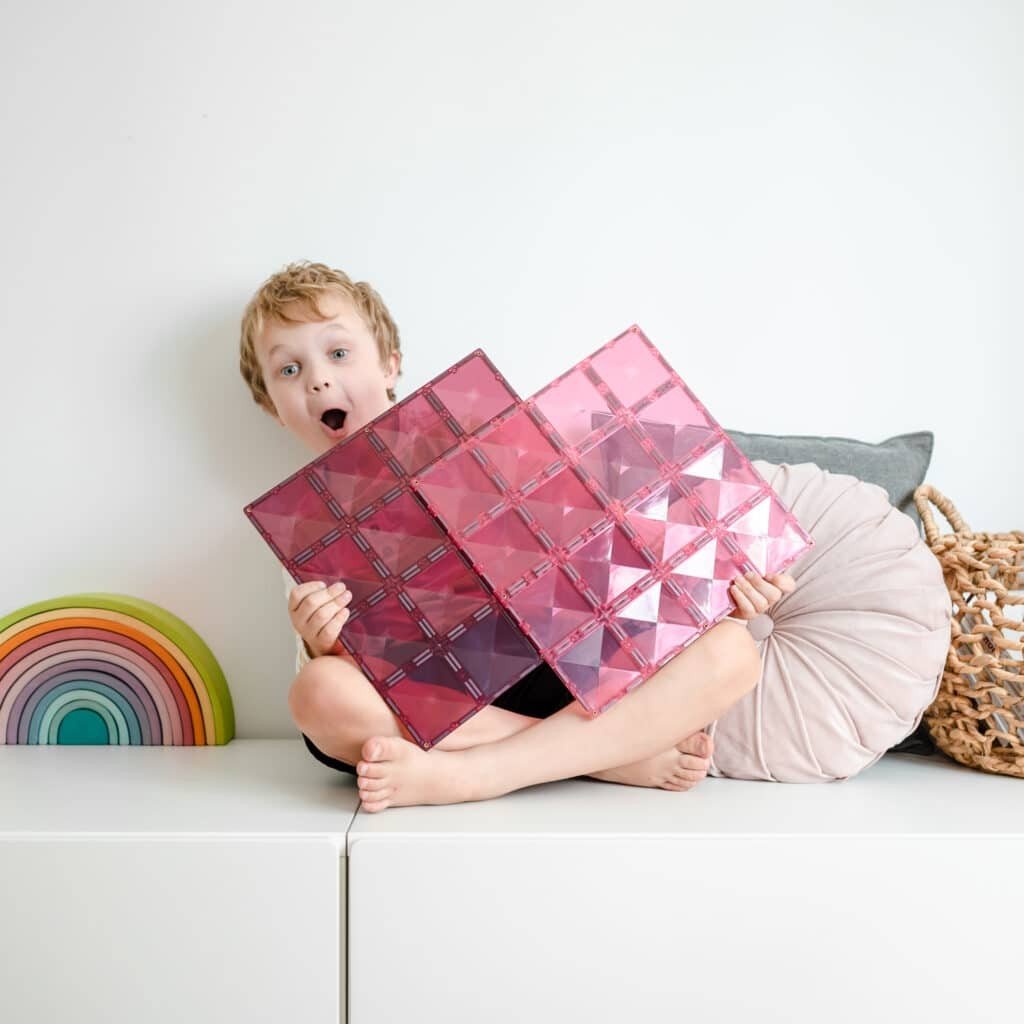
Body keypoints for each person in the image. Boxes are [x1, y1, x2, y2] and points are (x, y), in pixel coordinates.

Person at [238, 260, 796, 812]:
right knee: (319, 692)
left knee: (732, 652)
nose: (318, 379)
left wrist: (722, 592)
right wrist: (320, 642)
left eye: (338, 353)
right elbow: (340, 671)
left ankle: (478, 774)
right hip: (444, 703)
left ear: (390, 365)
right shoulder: (303, 526)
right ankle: (605, 757)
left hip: (557, 667)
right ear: (272, 409)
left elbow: (615, 563)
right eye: (289, 369)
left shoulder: (491, 437)